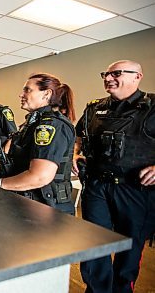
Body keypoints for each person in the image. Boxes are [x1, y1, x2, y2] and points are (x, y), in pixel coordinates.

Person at [73, 60, 155, 293]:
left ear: (137, 76)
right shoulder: (94, 108)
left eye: (116, 73)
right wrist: (75, 155)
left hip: (136, 190)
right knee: (92, 243)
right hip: (97, 186)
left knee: (129, 250)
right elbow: (78, 138)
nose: (108, 78)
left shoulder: (153, 106)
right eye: (106, 74)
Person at [0, 73, 76, 215]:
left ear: (46, 94)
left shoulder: (51, 125)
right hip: (27, 204)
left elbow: (39, 176)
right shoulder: (31, 124)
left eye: (27, 90)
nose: (21, 94)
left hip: (46, 209)